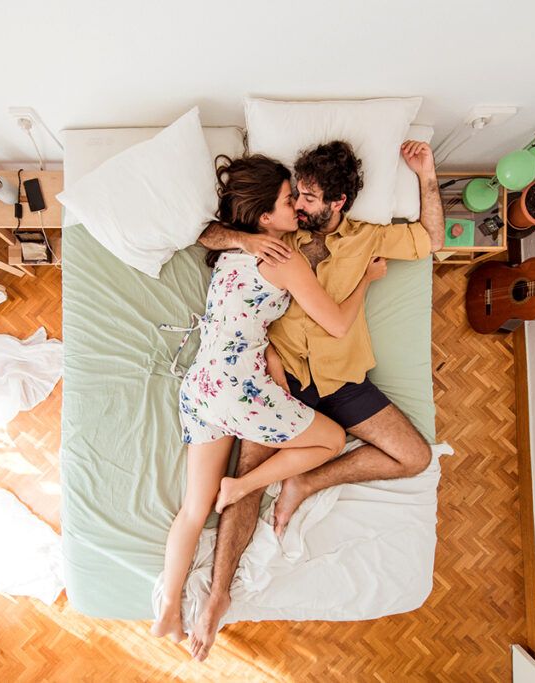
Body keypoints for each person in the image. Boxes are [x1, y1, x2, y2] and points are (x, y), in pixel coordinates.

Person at [187, 139, 445, 661]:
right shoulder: (272, 235)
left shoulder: (367, 239)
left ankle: (306, 479)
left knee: (415, 456)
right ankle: (217, 596)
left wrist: (426, 174)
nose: (299, 207)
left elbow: (432, 239)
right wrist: (247, 241)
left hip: (341, 379)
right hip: (279, 377)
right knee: (243, 486)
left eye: (307, 198)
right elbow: (206, 234)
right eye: (295, 196)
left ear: (338, 203)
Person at [151, 154, 388, 651]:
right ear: (264, 216)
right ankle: (241, 486)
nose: (297, 209)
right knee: (332, 439)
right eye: (288, 201)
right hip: (238, 387)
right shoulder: (283, 258)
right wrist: (368, 279)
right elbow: (338, 325)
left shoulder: (231, 251)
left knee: (194, 509)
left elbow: (205, 235)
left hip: (201, 385)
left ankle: (169, 609)